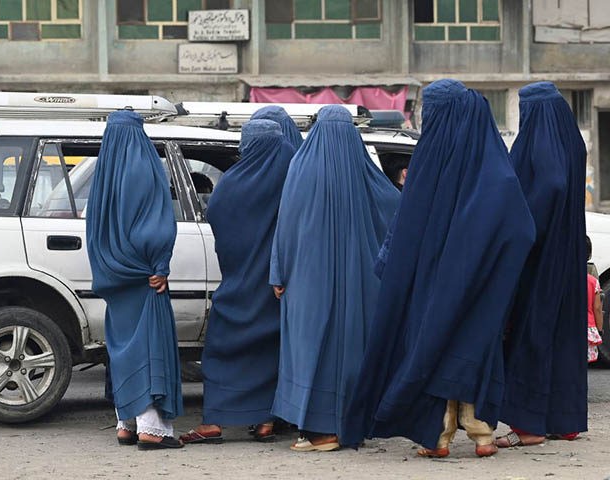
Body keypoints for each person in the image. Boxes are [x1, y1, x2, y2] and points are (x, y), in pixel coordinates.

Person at [341, 79, 536, 458]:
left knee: (431, 347)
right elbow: (521, 229)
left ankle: (441, 433)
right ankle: (480, 433)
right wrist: (490, 269)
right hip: (482, 288)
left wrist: (393, 269)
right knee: (474, 346)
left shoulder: (430, 164)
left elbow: (405, 228)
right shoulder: (496, 170)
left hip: (431, 286)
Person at [269, 104, 400, 452]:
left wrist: (278, 273)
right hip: (360, 283)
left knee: (310, 349)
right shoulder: (366, 172)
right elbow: (396, 209)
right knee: (352, 350)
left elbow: (287, 225)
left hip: (307, 283)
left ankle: (318, 429)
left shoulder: (301, 167)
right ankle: (346, 424)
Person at [180, 119, 296, 445]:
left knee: (220, 350)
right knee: (270, 353)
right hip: (277, 288)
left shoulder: (231, 183)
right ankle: (264, 422)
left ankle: (214, 422)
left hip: (237, 283)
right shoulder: (291, 181)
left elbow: (216, 219)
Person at [496, 82, 588, 449]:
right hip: (567, 252)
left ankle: (529, 426)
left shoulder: (542, 141)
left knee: (532, 332)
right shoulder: (570, 140)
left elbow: (551, 182)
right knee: (563, 335)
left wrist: (525, 226)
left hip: (542, 254)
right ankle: (563, 420)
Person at [86, 110, 184, 450]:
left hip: (115, 275)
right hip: (145, 275)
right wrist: (160, 263)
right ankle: (151, 428)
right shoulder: (144, 166)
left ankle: (125, 423)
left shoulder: (104, 173)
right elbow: (157, 225)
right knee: (148, 347)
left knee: (123, 348)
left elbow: (95, 229)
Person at [586, 236, 604, 363]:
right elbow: (597, 308)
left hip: (567, 327)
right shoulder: (593, 282)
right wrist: (600, 328)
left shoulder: (564, 278)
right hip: (588, 328)